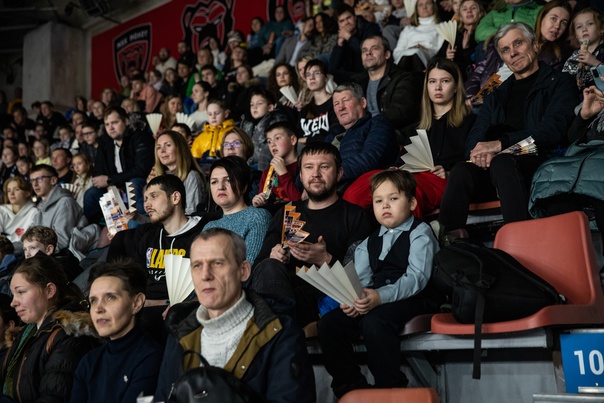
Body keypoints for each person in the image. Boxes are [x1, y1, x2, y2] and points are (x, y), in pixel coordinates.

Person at [438, 23, 579, 239]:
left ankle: (520, 239)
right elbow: (475, 137)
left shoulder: (560, 82)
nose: (512, 52)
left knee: (502, 162)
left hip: (542, 162)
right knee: (461, 170)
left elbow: (553, 130)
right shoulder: (496, 94)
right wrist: (479, 153)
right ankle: (449, 241)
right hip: (498, 168)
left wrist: (501, 144)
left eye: (518, 43)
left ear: (535, 45)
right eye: (505, 50)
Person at [155, 228, 316, 402]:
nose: (205, 275)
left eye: (217, 263)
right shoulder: (179, 335)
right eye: (197, 266)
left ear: (243, 271)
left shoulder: (281, 333)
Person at [318, 169, 441, 398]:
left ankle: (389, 387)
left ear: (412, 203)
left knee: (374, 322)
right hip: (376, 299)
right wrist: (354, 300)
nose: (385, 205)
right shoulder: (369, 242)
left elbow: (417, 278)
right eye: (378, 201)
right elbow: (361, 279)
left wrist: (379, 297)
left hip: (416, 298)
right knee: (329, 324)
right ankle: (351, 388)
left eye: (393, 199)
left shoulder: (420, 232)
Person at [249, 142, 373, 327]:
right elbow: (258, 267)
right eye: (308, 167)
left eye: (324, 167)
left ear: (339, 173)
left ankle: (281, 332)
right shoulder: (288, 211)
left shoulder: (356, 216)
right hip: (282, 292)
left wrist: (325, 259)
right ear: (301, 175)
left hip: (325, 301)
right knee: (269, 266)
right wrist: (274, 256)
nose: (315, 174)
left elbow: (360, 280)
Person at [345, 58, 475, 216]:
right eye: (432, 81)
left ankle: (408, 231)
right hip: (412, 176)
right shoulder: (418, 126)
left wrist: (449, 172)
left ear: (455, 87)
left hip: (443, 180)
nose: (438, 87)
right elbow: (404, 161)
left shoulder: (469, 121)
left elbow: (472, 162)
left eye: (445, 81)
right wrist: (394, 168)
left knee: (406, 191)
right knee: (362, 185)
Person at [1, 255, 98, 402]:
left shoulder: (69, 336)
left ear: (49, 291)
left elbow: (53, 398)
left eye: (21, 292)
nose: (13, 303)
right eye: (13, 294)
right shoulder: (28, 332)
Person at [70, 260, 162, 403]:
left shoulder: (152, 358)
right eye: (93, 300)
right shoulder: (89, 362)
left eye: (110, 297)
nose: (98, 309)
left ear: (137, 303)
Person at [529, 85, 604, 240]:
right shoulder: (597, 104)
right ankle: (567, 251)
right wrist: (584, 117)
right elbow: (573, 140)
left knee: (598, 183)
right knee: (556, 189)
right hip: (583, 162)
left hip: (597, 170)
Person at [134, 175, 204, 309]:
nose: (147, 205)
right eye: (145, 199)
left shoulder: (202, 236)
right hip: (143, 308)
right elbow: (134, 279)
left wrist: (159, 303)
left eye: (153, 196)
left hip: (182, 311)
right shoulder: (149, 238)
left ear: (175, 198)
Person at [84, 106, 154, 223]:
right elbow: (97, 173)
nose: (110, 127)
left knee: (133, 184)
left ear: (126, 121)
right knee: (91, 194)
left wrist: (111, 180)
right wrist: (110, 184)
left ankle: (135, 226)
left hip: (138, 184)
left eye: (115, 123)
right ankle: (91, 228)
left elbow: (141, 169)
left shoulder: (140, 137)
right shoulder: (105, 142)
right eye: (107, 124)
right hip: (115, 187)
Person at [326, 82, 399, 190]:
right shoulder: (333, 134)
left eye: (345, 100)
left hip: (358, 189)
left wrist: (327, 174)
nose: (340, 107)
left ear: (363, 102)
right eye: (336, 104)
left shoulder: (378, 123)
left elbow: (370, 159)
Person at [204, 156, 272, 263]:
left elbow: (248, 266)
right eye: (214, 182)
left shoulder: (257, 217)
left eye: (228, 180)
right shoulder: (209, 227)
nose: (220, 187)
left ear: (244, 186)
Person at [356, 34, 422, 141]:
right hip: (366, 134)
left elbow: (400, 112)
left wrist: (367, 126)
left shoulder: (403, 78)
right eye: (364, 50)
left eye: (374, 48)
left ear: (387, 54)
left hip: (393, 135)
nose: (368, 53)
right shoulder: (358, 83)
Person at [151, 130, 207, 215]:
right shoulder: (158, 177)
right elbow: (154, 215)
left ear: (180, 149)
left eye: (168, 145)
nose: (162, 151)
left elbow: (192, 214)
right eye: (158, 147)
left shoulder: (192, 176)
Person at [30, 164, 82, 253]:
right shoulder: (40, 207)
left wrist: (34, 252)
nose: (35, 184)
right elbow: (30, 237)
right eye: (32, 180)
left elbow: (61, 242)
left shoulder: (65, 203)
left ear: (53, 180)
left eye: (39, 179)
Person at [252, 122, 302, 208]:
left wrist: (283, 174)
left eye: (277, 138)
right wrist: (258, 201)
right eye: (269, 141)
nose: (272, 144)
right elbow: (264, 203)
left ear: (293, 140)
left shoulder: (304, 167)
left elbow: (301, 203)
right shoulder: (268, 173)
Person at [330, 4, 381, 83]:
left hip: (369, 70)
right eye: (342, 21)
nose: (346, 22)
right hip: (351, 73)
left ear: (355, 17)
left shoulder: (370, 28)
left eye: (348, 18)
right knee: (331, 74)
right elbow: (333, 65)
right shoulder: (342, 35)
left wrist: (349, 37)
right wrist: (340, 43)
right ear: (338, 24)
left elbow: (368, 52)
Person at [240, 89, 288, 171]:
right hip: (249, 163)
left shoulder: (276, 122)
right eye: (252, 104)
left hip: (266, 165)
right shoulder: (247, 123)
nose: (255, 107)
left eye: (259, 103)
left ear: (270, 107)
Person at [436, 0, 486, 79]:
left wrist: (466, 49)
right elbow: (437, 59)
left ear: (480, 12)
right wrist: (447, 58)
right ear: (460, 15)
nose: (469, 11)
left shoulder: (483, 34)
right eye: (464, 9)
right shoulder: (453, 33)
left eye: (473, 8)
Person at [392, 0, 444, 70]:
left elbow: (441, 51)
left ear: (434, 6)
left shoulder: (442, 27)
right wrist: (411, 48)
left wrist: (425, 50)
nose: (424, 7)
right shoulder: (408, 29)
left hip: (427, 59)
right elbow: (397, 52)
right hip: (405, 57)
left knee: (416, 53)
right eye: (420, 5)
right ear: (416, 9)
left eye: (428, 3)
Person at [562, 8, 604, 93]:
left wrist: (595, 62)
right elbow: (564, 83)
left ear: (602, 28)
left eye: (590, 24)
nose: (584, 29)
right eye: (579, 27)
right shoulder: (573, 58)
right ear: (576, 35)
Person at [298, 59, 338, 144]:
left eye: (316, 73)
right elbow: (296, 137)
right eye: (308, 75)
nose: (311, 78)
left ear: (326, 78)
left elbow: (334, 136)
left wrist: (307, 140)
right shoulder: (305, 110)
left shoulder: (335, 102)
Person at [190, 99, 236, 165]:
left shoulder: (233, 133)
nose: (213, 117)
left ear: (226, 114)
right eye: (210, 114)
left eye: (216, 113)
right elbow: (194, 160)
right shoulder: (200, 138)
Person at [0, 177, 39, 245]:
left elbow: (30, 239)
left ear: (27, 193)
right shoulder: (1, 210)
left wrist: (6, 237)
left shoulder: (34, 212)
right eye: (8, 190)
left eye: (16, 189)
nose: (11, 193)